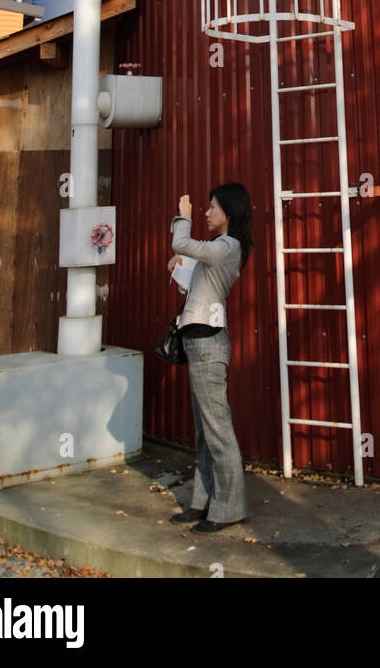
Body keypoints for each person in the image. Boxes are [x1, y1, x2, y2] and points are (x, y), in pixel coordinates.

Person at [166, 183, 253, 532]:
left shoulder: (228, 245)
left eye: (211, 207)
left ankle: (229, 508)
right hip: (198, 341)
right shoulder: (219, 250)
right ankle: (203, 502)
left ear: (229, 213)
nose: (206, 212)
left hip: (208, 344)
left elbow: (181, 242)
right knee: (204, 430)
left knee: (217, 429)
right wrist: (179, 268)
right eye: (203, 208)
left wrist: (181, 218)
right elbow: (195, 285)